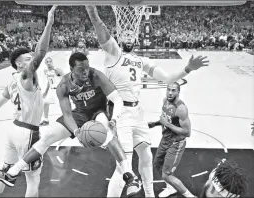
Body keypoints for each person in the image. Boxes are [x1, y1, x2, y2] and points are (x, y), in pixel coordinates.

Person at [85, 5, 209, 198]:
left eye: (130, 34)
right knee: (123, 164)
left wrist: (187, 69)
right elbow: (98, 25)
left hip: (138, 112)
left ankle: (150, 194)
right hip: (120, 112)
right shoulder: (113, 53)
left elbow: (168, 79)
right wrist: (91, 9)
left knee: (146, 155)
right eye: (123, 34)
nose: (127, 36)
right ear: (118, 37)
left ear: (135, 38)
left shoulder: (142, 61)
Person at [0, 52, 142, 197]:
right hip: (80, 113)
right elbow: (67, 115)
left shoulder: (95, 75)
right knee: (47, 137)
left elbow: (117, 98)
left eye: (87, 68)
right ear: (71, 69)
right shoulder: (64, 86)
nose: (85, 72)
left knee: (107, 134)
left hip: (99, 111)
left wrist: (114, 119)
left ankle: (130, 177)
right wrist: (77, 131)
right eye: (81, 69)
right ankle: (12, 173)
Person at [0, 5, 57, 197]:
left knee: (5, 170)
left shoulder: (12, 81)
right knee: (33, 178)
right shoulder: (25, 75)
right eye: (27, 58)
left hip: (13, 130)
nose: (31, 60)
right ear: (19, 64)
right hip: (27, 132)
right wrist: (49, 23)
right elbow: (41, 52)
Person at [149, 82, 195, 197]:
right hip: (165, 139)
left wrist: (167, 125)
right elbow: (167, 119)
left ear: (178, 92)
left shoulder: (181, 109)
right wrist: (155, 124)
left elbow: (187, 132)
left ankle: (190, 196)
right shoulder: (165, 101)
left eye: (173, 90)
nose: (170, 92)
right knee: (157, 164)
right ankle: (170, 187)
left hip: (176, 143)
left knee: (166, 175)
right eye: (168, 89)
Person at [40, 56, 64, 126]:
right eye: (47, 62)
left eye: (50, 61)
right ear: (45, 63)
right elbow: (49, 82)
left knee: (62, 106)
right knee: (45, 103)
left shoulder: (56, 70)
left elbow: (64, 77)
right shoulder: (46, 71)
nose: (49, 63)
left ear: (52, 62)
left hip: (58, 90)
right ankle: (46, 120)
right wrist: (46, 92)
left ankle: (68, 120)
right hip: (51, 91)